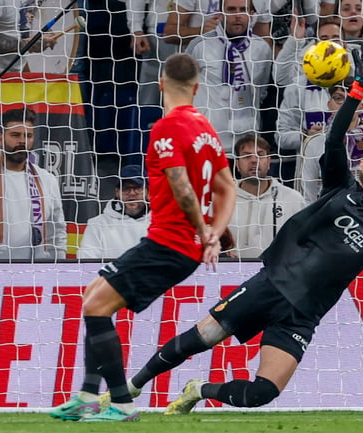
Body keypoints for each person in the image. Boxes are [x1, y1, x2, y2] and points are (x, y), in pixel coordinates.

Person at [113, 43, 363, 414]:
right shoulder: (339, 187)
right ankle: (131, 387)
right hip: (272, 284)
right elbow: (332, 140)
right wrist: (358, 90)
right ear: (360, 161)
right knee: (201, 338)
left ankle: (197, 390)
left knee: (263, 392)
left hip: (305, 314)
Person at [49, 53, 237, 422]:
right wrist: (213, 231)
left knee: (95, 306)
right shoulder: (206, 130)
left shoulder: (167, 127)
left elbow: (182, 189)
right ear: (197, 88)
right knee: (93, 298)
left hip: (170, 242)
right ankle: (88, 395)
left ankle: (120, 402)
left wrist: (205, 232)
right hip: (179, 245)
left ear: (160, 84)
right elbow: (227, 187)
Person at [186, 0, 272, 154]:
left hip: (246, 148)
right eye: (231, 9)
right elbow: (182, 90)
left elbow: (261, 92)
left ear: (252, 14)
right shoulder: (200, 46)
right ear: (220, 14)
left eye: (243, 10)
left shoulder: (262, 49)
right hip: (206, 144)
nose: (237, 15)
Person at [0, 107, 66, 261]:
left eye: (28, 136)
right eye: (15, 135)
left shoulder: (47, 180)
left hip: (35, 274)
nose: (22, 141)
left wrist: (60, 266)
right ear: (0, 139)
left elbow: (57, 232)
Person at [229, 134, 305, 260]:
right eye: (247, 156)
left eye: (260, 155)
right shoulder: (221, 200)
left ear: (269, 162)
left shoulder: (293, 199)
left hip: (278, 276)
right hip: (232, 274)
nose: (254, 160)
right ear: (237, 164)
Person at [77, 165, 150, 261]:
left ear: (148, 192)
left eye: (138, 188)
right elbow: (86, 262)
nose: (132, 193)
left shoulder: (162, 223)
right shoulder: (98, 224)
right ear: (117, 192)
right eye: (125, 188)